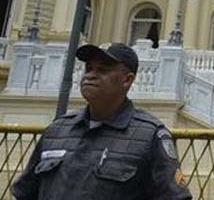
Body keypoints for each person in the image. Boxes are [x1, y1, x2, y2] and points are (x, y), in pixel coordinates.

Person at [12, 43, 192, 200]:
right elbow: (26, 192)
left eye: (103, 70)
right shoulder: (57, 130)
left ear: (127, 80)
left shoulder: (150, 135)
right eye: (88, 68)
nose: (90, 75)